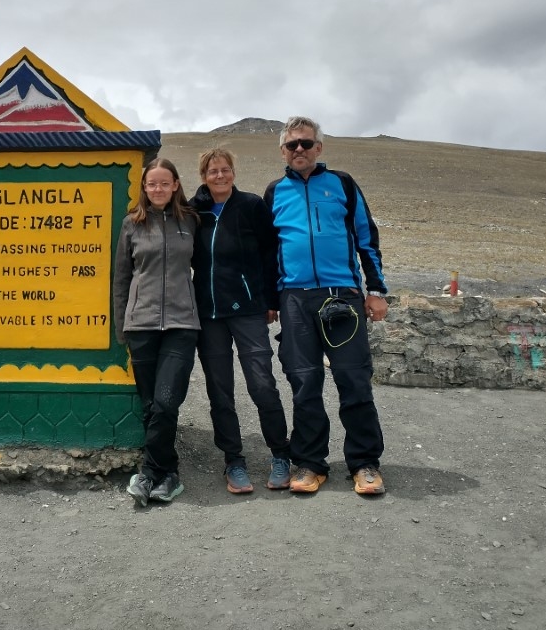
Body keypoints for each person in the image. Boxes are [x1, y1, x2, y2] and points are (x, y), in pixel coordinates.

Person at [263, 117, 388, 496]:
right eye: (292, 145)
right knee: (304, 382)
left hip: (342, 295)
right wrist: (270, 300)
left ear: (319, 147)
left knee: (354, 379)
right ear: (283, 151)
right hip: (294, 299)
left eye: (306, 143)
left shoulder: (343, 184)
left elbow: (366, 238)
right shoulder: (274, 192)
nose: (299, 150)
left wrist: (376, 290)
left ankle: (364, 463)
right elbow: (267, 252)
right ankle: (310, 463)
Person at [189, 148, 292, 494]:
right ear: (204, 176)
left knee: (262, 383)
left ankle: (280, 454)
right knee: (220, 390)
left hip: (248, 309)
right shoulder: (193, 211)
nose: (220, 176)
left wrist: (270, 299)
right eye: (213, 171)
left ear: (233, 172)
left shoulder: (251, 205)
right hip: (209, 314)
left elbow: (270, 253)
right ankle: (233, 460)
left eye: (225, 169)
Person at [113, 157, 200, 507]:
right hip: (141, 324)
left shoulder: (190, 221)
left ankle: (148, 472)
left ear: (175, 185)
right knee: (150, 405)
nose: (158, 189)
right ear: (144, 187)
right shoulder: (132, 224)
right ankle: (168, 474)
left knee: (166, 401)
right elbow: (121, 278)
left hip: (182, 325)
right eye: (152, 184)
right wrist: (122, 326)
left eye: (165, 183)